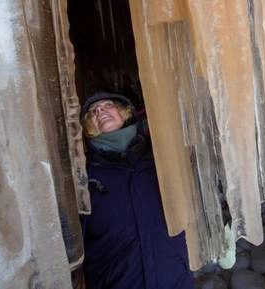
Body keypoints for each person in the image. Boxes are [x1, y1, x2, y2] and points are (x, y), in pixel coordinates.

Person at [80, 92, 194, 289]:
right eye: (92, 112)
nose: (100, 111)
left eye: (108, 105)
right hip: (118, 281)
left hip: (173, 276)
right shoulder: (85, 175)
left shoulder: (159, 158)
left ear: (125, 112)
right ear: (89, 127)